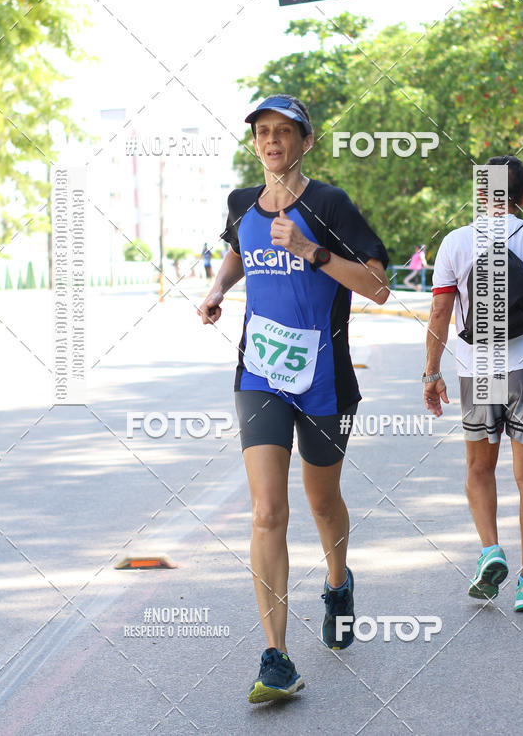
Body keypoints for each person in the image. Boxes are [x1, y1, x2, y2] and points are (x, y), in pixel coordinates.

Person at [197, 94, 390, 703]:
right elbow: (239, 248)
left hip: (324, 378)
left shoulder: (329, 204)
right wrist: (218, 289)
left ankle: (337, 583)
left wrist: (311, 251)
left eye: (285, 131)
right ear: (254, 141)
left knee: (323, 502)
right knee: (266, 512)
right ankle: (277, 656)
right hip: (259, 374)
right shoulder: (241, 203)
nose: (272, 140)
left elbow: (379, 286)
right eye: (263, 131)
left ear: (306, 142)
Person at [423, 155, 523, 612]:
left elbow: (440, 312)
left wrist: (431, 372)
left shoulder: (455, 242)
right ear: (522, 197)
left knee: (479, 468)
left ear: (479, 195)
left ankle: (491, 549)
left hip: (479, 370)